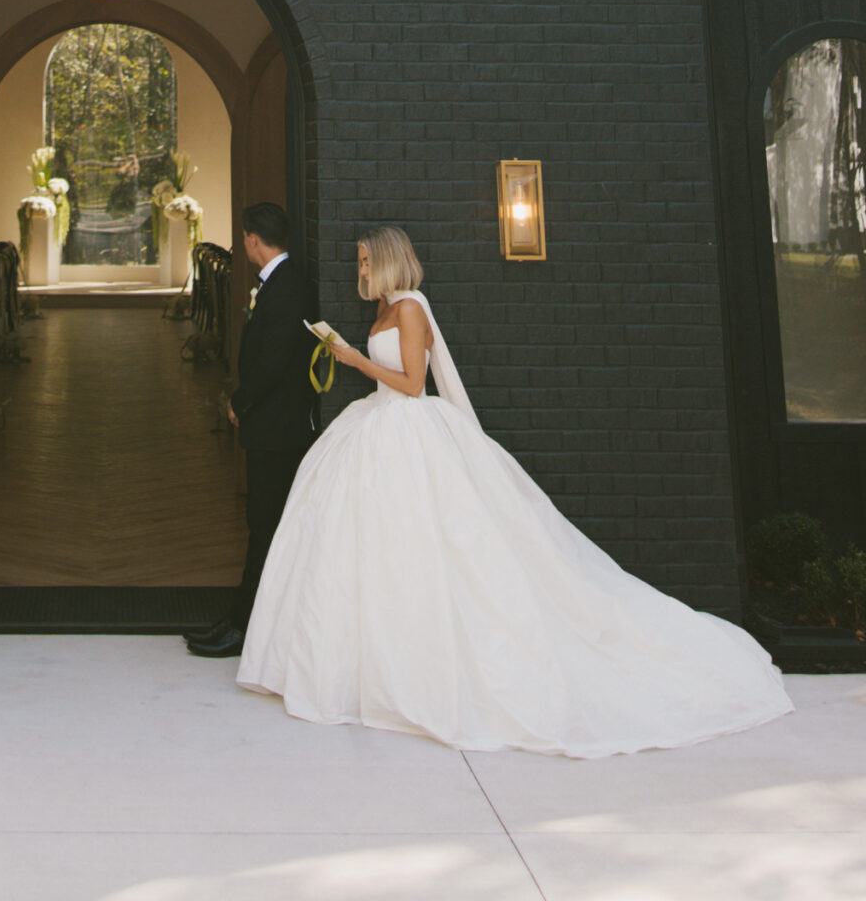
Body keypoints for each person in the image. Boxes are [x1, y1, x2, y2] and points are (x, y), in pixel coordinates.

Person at [238, 225, 794, 755]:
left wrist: (357, 360)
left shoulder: (410, 308)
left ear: (387, 260)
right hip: (376, 425)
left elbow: (413, 385)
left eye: (365, 260)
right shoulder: (385, 309)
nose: (359, 269)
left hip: (405, 426)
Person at [186, 201, 314, 660]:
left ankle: (246, 628)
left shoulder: (287, 288)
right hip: (269, 424)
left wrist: (240, 401)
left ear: (252, 239)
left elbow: (275, 361)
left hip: (278, 429)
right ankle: (240, 618)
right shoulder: (278, 283)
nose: (243, 244)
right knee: (260, 523)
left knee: (265, 525)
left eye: (244, 237)